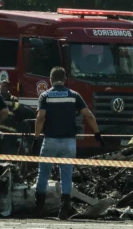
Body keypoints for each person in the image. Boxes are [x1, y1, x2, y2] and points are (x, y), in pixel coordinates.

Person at [33, 66, 105, 220]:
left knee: (43, 174)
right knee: (66, 175)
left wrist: (36, 137)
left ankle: (38, 209)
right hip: (69, 143)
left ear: (50, 80)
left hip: (50, 141)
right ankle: (64, 210)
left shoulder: (45, 96)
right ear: (65, 79)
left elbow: (40, 118)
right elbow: (89, 115)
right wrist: (97, 133)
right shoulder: (74, 95)